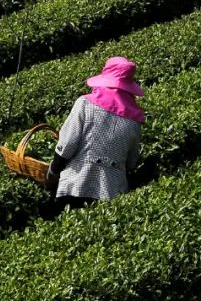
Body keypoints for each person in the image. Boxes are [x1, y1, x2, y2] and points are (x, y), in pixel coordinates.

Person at [49, 56, 144, 208]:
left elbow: (68, 143)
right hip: (113, 192)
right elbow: (131, 162)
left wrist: (53, 170)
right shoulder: (135, 120)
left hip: (78, 184)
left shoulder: (85, 104)